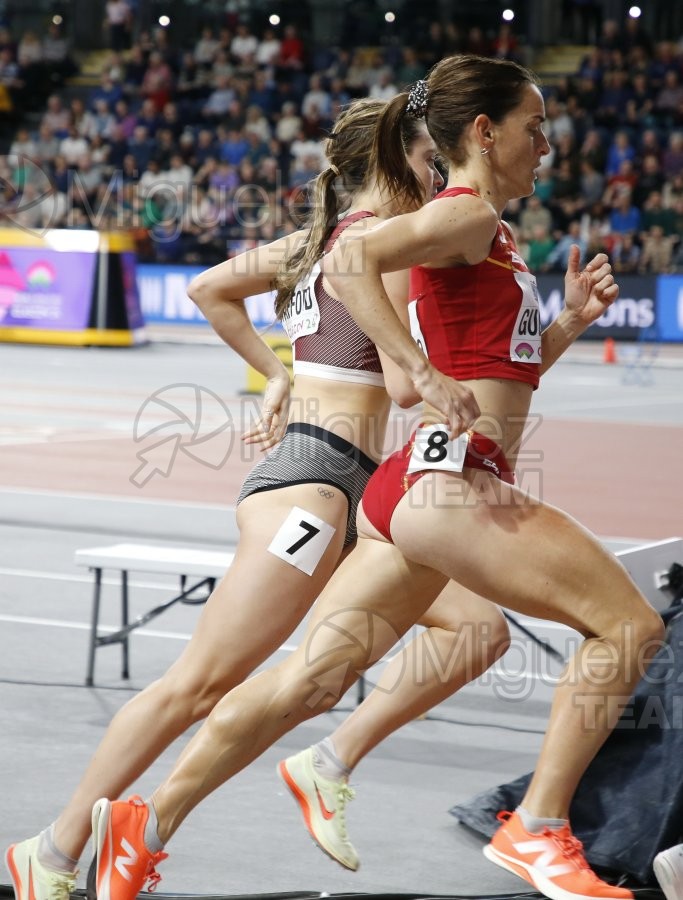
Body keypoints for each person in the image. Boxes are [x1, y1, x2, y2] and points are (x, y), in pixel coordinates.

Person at [84, 56, 662, 900]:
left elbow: (499, 370)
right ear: (482, 132)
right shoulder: (462, 216)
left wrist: (567, 321)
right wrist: (415, 373)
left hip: (412, 487)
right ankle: (536, 826)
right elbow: (352, 262)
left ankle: (148, 822)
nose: (547, 145)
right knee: (628, 628)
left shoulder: (485, 230)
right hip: (444, 482)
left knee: (304, 681)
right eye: (534, 128)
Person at [5, 97, 511, 900]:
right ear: (392, 161)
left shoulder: (322, 241)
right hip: (313, 487)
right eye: (428, 162)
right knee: (198, 684)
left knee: (477, 627)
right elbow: (404, 392)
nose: (439, 177)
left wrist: (279, 373)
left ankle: (330, 758)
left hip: (355, 496)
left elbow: (210, 287)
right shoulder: (373, 250)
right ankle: (55, 850)